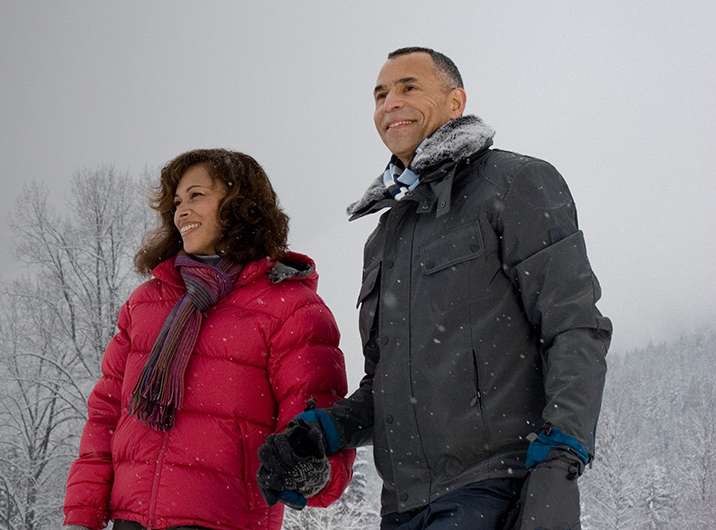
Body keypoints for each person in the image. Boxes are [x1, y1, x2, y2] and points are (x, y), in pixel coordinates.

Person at [255, 47, 611, 530]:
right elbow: (388, 386)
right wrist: (325, 430)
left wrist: (562, 458)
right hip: (402, 507)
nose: (390, 103)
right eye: (380, 94)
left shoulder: (515, 184)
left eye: (409, 87)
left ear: (455, 102)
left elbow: (574, 326)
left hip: (495, 489)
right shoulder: (385, 237)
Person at [63, 148, 355, 530]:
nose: (181, 212)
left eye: (196, 196)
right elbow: (105, 417)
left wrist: (315, 473)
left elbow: (317, 419)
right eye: (176, 202)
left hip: (225, 521)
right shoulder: (146, 304)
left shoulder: (290, 307)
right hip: (130, 521)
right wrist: (82, 514)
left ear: (240, 204)